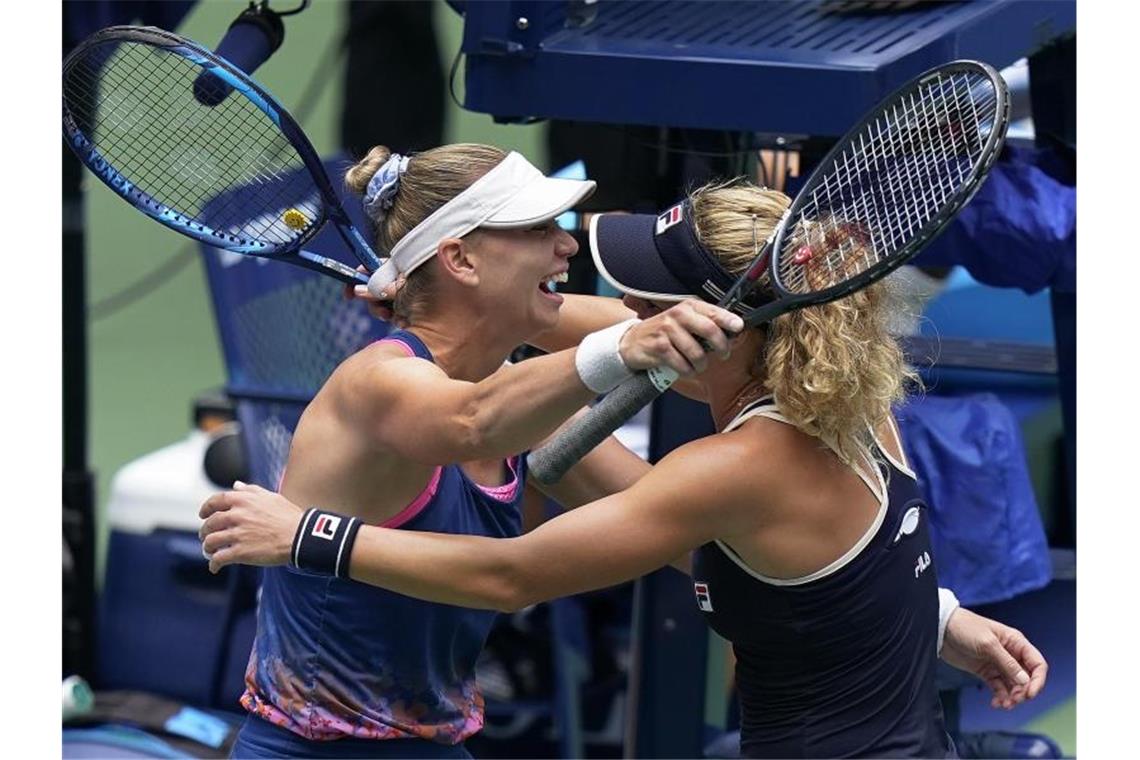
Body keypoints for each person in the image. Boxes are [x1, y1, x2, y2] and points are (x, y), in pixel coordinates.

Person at [202, 178, 1049, 758]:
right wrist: (933, 618)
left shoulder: (732, 467)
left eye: (649, 298)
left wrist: (305, 536)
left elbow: (512, 571)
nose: (621, 302)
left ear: (718, 324)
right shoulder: (846, 402)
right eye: (537, 233)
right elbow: (790, 557)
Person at [214, 142, 745, 759]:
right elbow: (471, 422)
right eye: (537, 229)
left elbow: (678, 532)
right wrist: (624, 345)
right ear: (461, 258)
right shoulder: (379, 383)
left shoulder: (526, 412)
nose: (567, 245)